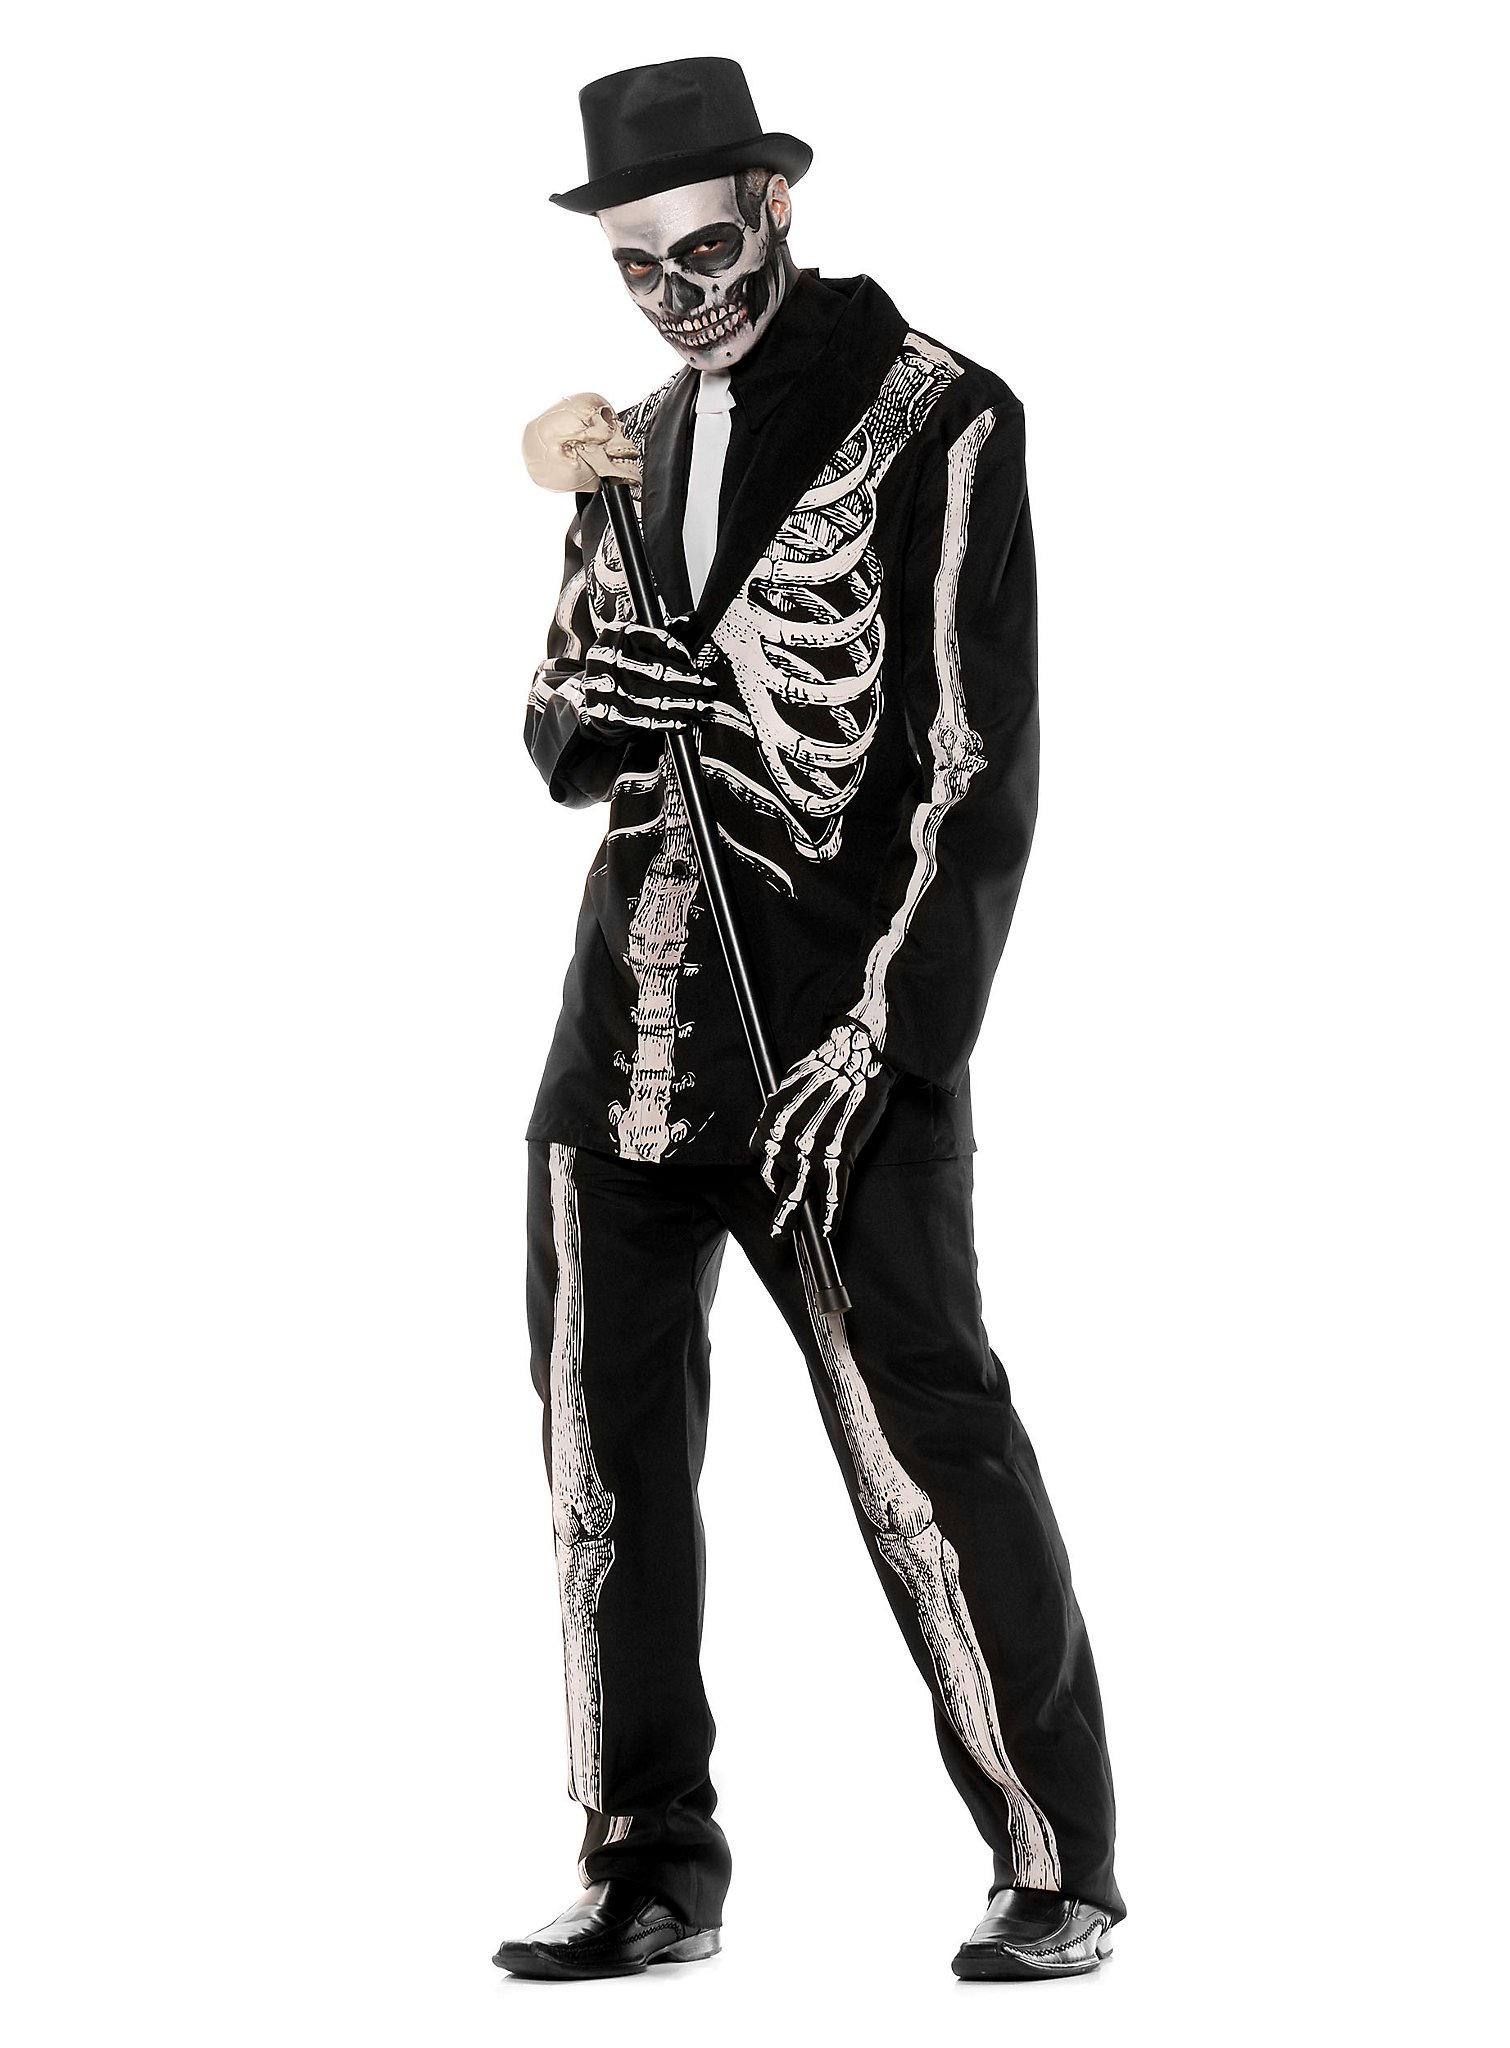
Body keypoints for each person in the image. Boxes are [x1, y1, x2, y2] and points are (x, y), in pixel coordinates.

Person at [495, 55, 1124, 1982]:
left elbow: (973, 762)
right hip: (622, 1038)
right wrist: (595, 687)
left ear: (775, 201)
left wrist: (892, 1039)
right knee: (601, 1471)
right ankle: (645, 1863)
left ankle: (1054, 1859)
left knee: (924, 1450)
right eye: (635, 269)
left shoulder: (939, 413)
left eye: (700, 251)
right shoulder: (626, 446)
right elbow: (555, 737)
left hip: (832, 1051)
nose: (675, 298)